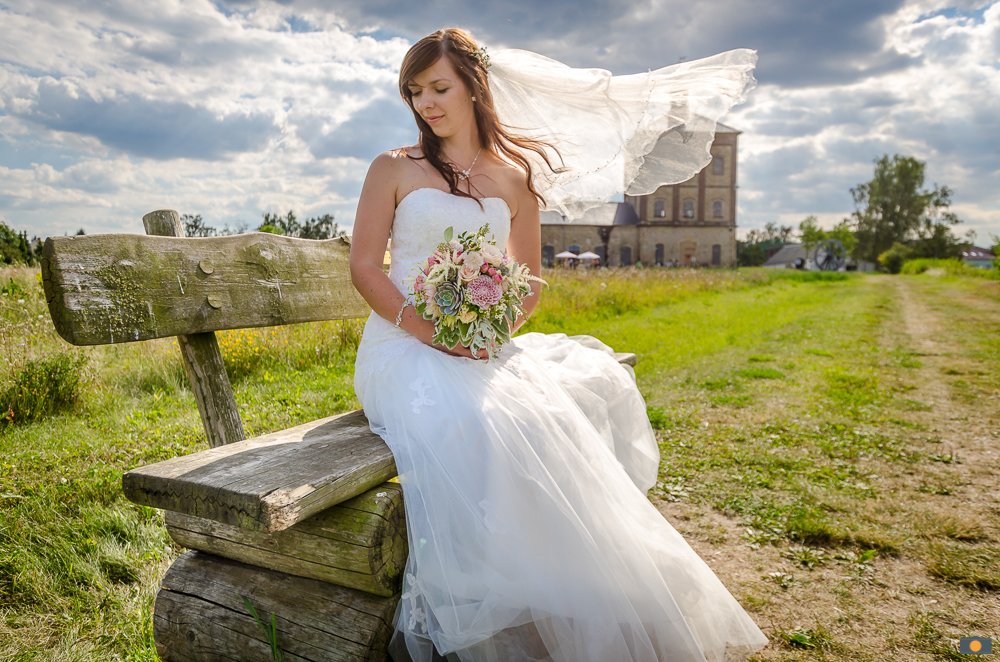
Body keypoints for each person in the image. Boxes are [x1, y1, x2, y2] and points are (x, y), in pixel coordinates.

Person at [349, 27, 767, 661]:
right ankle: (484, 595)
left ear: (474, 87)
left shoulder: (514, 178)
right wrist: (432, 332)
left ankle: (559, 602)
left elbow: (528, 281)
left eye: (439, 88)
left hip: (476, 345)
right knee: (471, 421)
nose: (426, 104)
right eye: (415, 92)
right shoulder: (394, 168)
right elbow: (365, 268)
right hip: (401, 345)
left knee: (548, 416)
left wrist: (490, 330)